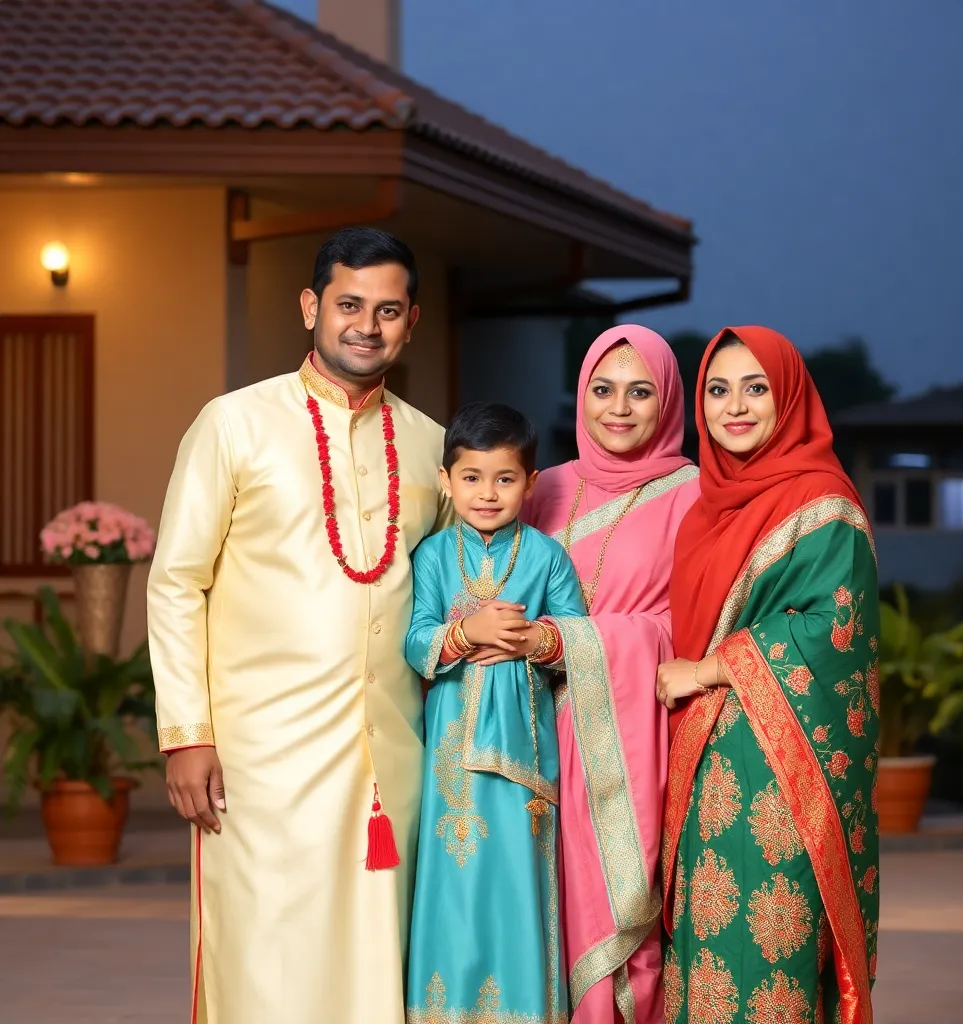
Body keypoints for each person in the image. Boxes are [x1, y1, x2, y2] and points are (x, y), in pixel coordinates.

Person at [147, 227, 452, 1023]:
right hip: (257, 768)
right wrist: (188, 734)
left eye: (388, 310)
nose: (367, 325)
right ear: (311, 306)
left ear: (411, 321)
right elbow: (177, 583)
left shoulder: (429, 445)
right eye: (349, 304)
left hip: (390, 765)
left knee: (378, 968)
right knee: (266, 967)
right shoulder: (233, 424)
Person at [658, 327, 879, 1024]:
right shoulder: (703, 507)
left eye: (756, 388)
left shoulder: (822, 501)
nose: (736, 406)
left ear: (788, 397)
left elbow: (834, 627)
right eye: (718, 390)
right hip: (698, 766)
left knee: (770, 951)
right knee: (701, 950)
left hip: (784, 765)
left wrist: (709, 669)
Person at [524, 325, 701, 1024]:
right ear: (581, 396)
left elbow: (691, 627)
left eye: (640, 392)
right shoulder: (542, 485)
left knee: (616, 928)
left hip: (622, 741)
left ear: (668, 403)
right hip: (528, 728)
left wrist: (569, 642)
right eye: (602, 389)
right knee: (531, 913)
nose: (618, 408)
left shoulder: (693, 495)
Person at [405, 403, 586, 1023]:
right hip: (450, 757)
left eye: (505, 479)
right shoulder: (431, 556)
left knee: (516, 880)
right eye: (472, 477)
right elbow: (415, 640)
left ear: (531, 484)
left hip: (526, 754)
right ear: (446, 481)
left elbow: (577, 639)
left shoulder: (546, 557)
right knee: (454, 879)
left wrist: (535, 640)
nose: (488, 493)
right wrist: (464, 634)